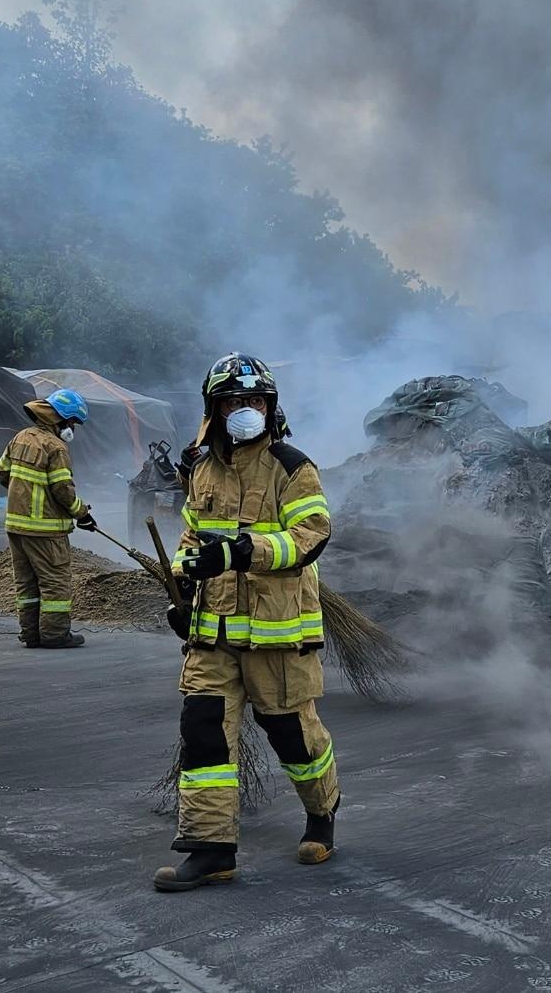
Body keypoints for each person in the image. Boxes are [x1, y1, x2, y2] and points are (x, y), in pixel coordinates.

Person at [153, 354, 338, 893]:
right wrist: (183, 583)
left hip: (276, 633)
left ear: (270, 406)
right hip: (212, 634)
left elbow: (311, 537)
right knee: (203, 735)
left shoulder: (292, 466)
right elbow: (191, 539)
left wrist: (239, 552)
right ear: (215, 408)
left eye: (255, 401)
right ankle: (211, 850)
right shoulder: (202, 468)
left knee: (291, 736)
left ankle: (323, 812)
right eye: (234, 401)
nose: (245, 410)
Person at [0, 388, 96, 649]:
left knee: (26, 582)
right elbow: (63, 490)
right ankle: (54, 634)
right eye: (73, 422)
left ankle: (31, 633)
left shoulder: (20, 438)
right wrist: (82, 513)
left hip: (16, 527)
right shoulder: (56, 447)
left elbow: (2, 472)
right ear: (61, 419)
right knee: (55, 583)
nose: (73, 428)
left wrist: (23, 496)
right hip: (46, 531)